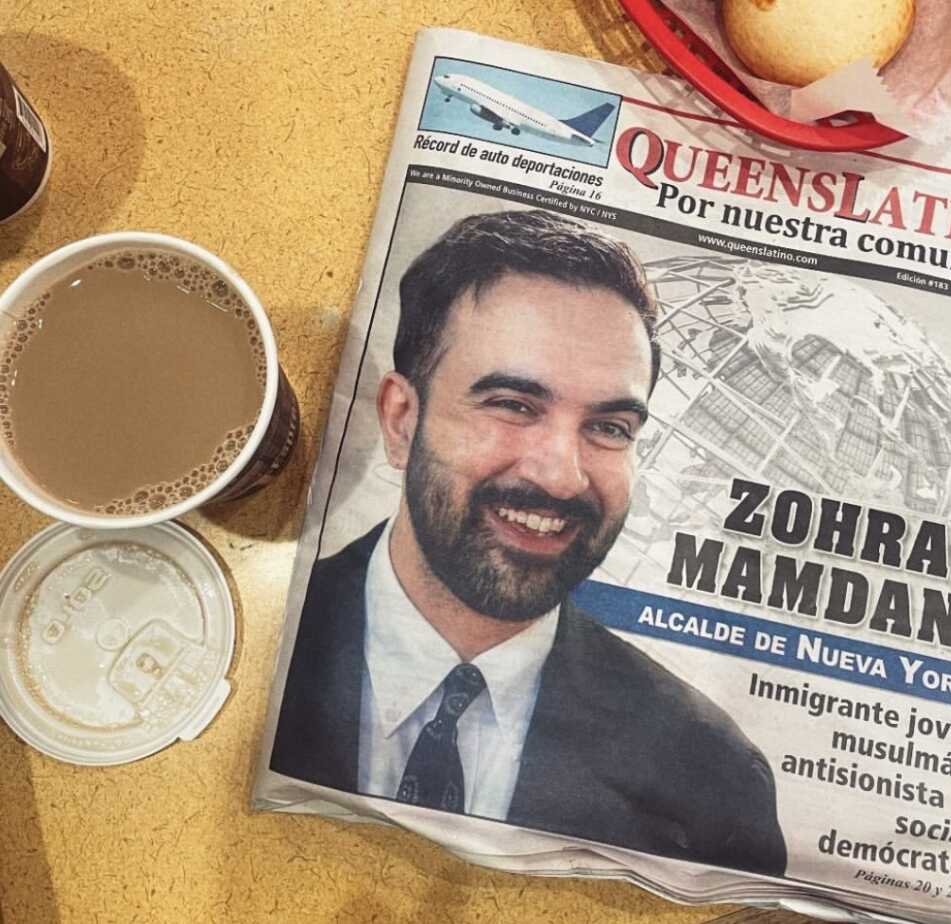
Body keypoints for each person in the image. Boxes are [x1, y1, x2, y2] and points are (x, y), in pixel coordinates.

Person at [270, 209, 786, 876]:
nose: (562, 475)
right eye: (513, 405)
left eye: (609, 426)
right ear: (401, 421)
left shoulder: (714, 776)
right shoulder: (265, 648)